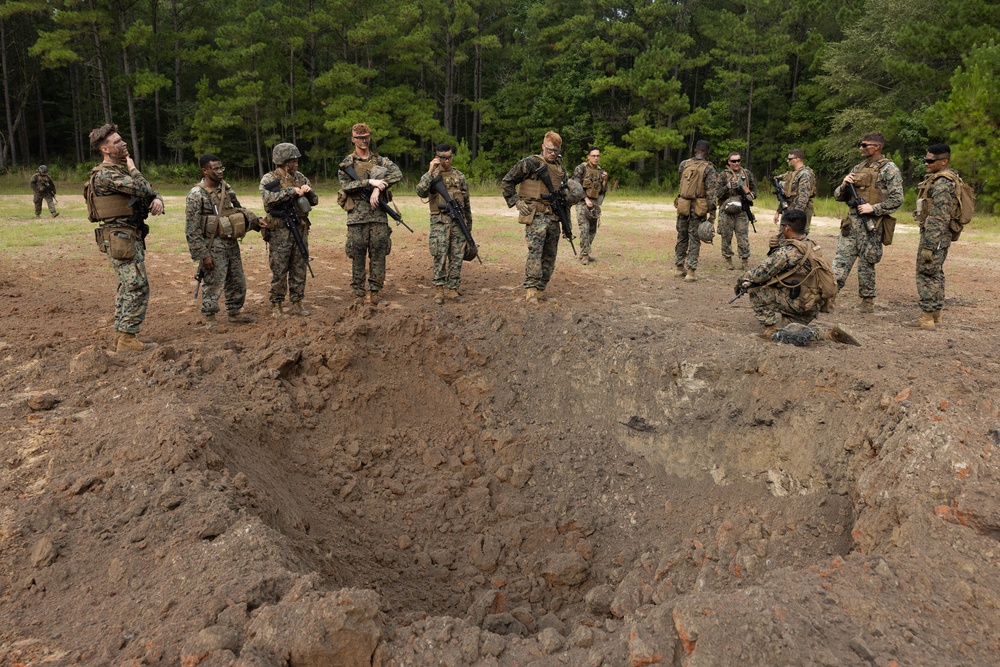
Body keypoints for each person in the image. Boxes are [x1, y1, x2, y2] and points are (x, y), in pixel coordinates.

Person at [85, 124, 164, 352]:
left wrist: (157, 199)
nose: (123, 143)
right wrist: (132, 166)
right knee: (137, 285)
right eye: (117, 141)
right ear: (105, 149)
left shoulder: (117, 172)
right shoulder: (105, 174)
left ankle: (123, 336)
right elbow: (142, 186)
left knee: (128, 285)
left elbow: (149, 190)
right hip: (120, 236)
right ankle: (128, 339)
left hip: (129, 234)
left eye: (122, 139)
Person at [736, 210, 858, 346]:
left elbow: (760, 274)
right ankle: (828, 335)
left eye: (782, 226)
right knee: (788, 332)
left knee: (756, 290)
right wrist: (773, 249)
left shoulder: (788, 252)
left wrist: (741, 280)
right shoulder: (812, 244)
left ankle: (770, 331)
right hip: (812, 303)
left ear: (787, 228)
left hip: (800, 303)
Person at [501, 131, 582, 303]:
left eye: (556, 150)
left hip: (553, 217)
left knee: (550, 255)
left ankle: (541, 288)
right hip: (536, 215)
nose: (552, 153)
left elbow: (564, 200)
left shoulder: (560, 169)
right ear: (543, 147)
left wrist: (567, 226)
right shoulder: (530, 163)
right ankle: (531, 288)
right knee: (535, 252)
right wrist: (516, 201)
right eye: (550, 149)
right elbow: (507, 181)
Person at [185, 154, 261, 331]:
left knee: (237, 281)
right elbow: (192, 229)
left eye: (221, 168)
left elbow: (237, 210)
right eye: (215, 168)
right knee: (213, 283)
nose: (220, 172)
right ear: (205, 170)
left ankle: (234, 313)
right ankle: (210, 319)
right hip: (213, 246)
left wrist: (256, 222)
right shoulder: (196, 195)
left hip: (231, 243)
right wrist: (203, 255)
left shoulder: (226, 189)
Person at [832, 132, 903, 313]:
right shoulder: (858, 167)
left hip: (871, 224)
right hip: (852, 223)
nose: (861, 148)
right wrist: (843, 185)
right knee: (841, 260)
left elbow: (897, 199)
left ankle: (867, 302)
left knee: (867, 263)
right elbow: (838, 196)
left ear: (877, 147)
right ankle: (828, 297)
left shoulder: (889, 169)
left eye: (865, 145)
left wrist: (874, 208)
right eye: (861, 144)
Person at [336, 123, 403, 307]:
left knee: (379, 254)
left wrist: (378, 187)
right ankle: (358, 293)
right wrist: (368, 182)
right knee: (357, 254)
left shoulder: (380, 161)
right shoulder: (347, 163)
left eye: (366, 137)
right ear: (353, 139)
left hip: (378, 215)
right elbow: (345, 186)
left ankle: (375, 292)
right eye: (359, 138)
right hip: (357, 217)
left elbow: (397, 174)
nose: (364, 141)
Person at [260, 142, 318, 318]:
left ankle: (297, 302)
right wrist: (291, 192)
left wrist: (308, 192)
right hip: (280, 231)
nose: (296, 164)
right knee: (279, 268)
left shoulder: (300, 177)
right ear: (283, 161)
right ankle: (276, 304)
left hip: (299, 228)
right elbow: (268, 200)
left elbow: (314, 200)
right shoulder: (269, 179)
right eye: (293, 161)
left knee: (299, 266)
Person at [905, 143, 960, 330]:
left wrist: (929, 245)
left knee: (926, 272)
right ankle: (936, 314)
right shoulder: (943, 179)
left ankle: (927, 317)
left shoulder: (943, 183)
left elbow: (939, 217)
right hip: (939, 237)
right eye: (925, 159)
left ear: (944, 161)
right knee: (936, 272)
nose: (926, 163)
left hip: (935, 237)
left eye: (931, 160)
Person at [416, 143, 473, 304]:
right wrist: (430, 171)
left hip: (458, 221)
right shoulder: (431, 175)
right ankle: (439, 289)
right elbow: (420, 191)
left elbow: (467, 202)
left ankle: (453, 288)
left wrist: (468, 225)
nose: (445, 161)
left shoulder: (459, 176)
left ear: (452, 157)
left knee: (457, 255)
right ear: (436, 157)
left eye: (448, 157)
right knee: (439, 254)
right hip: (439, 222)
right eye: (442, 158)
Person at [674, 140, 717, 282]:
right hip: (698, 206)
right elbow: (711, 193)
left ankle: (679, 266)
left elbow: (681, 181)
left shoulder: (683, 164)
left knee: (682, 235)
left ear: (695, 150)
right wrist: (712, 214)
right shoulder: (709, 169)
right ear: (707, 152)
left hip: (683, 204)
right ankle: (691, 271)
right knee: (694, 238)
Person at [714, 151, 757, 270]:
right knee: (726, 235)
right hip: (727, 210)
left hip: (742, 210)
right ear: (729, 162)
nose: (736, 163)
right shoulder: (723, 175)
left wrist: (751, 195)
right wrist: (727, 187)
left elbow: (754, 189)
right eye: (733, 161)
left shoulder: (747, 173)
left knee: (742, 236)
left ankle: (744, 261)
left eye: (738, 160)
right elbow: (716, 193)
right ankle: (728, 260)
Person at [572, 147, 608, 265]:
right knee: (584, 229)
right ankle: (585, 254)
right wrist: (586, 199)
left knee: (592, 230)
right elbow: (575, 186)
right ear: (588, 156)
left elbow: (602, 190)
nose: (596, 158)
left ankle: (584, 253)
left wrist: (605, 180)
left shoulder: (600, 171)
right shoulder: (581, 168)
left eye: (598, 156)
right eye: (593, 156)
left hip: (594, 204)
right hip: (582, 203)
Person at [773, 149, 816, 233]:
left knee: (795, 241)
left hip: (797, 215)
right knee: (783, 238)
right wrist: (778, 211)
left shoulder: (804, 174)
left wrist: (795, 218)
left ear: (797, 159)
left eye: (790, 159)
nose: (787, 161)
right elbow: (786, 196)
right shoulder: (792, 174)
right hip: (789, 211)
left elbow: (803, 199)